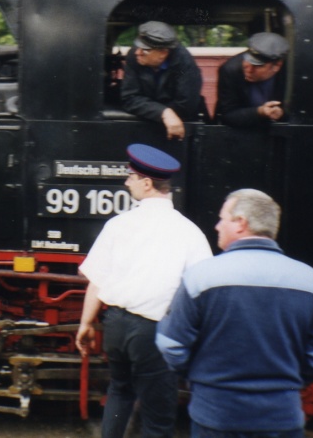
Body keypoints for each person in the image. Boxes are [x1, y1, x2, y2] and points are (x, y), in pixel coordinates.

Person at [156, 189, 313, 437]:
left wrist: (201, 378)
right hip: (281, 418)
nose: (217, 226)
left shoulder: (200, 278)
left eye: (222, 218)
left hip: (216, 416)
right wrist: (289, 381)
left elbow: (171, 344)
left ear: (241, 223)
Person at [76, 143, 213, 438]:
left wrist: (86, 324)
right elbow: (203, 291)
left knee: (119, 392)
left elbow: (96, 280)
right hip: (154, 332)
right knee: (157, 417)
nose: (127, 182)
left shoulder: (118, 224)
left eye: (131, 177)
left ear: (147, 184)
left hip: (116, 326)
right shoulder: (190, 233)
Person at [121, 22, 205, 140]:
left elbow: (186, 104)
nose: (137, 52)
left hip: (183, 126)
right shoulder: (134, 56)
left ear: (163, 53)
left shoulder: (185, 63)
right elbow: (129, 98)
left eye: (145, 50)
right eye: (138, 46)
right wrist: (163, 113)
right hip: (149, 121)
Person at [215, 32, 289, 127]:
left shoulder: (289, 73)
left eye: (257, 66)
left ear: (277, 66)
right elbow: (227, 114)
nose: (249, 70)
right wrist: (259, 112)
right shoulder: (230, 70)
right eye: (247, 60)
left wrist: (281, 114)